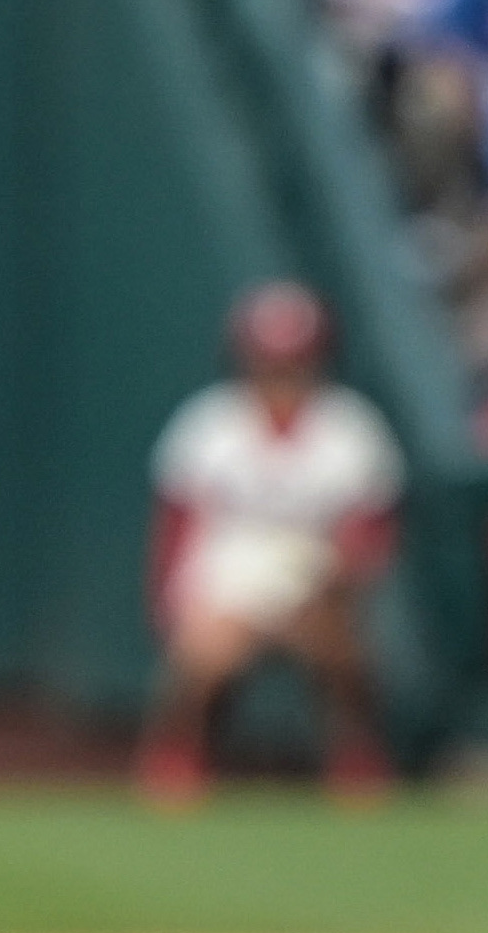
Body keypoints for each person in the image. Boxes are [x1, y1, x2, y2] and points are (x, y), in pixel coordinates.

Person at [138, 281, 405, 803]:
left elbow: (374, 528)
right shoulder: (209, 425)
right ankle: (180, 754)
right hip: (228, 572)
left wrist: (342, 576)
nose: (281, 374)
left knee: (342, 650)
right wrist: (171, 606)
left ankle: (356, 755)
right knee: (207, 655)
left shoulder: (350, 428)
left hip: (314, 573)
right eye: (269, 360)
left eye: (294, 361)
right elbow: (175, 526)